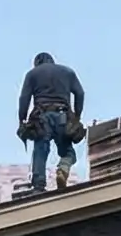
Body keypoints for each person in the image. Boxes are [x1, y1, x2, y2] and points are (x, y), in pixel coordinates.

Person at [17, 52, 86, 193]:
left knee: (41, 150)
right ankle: (64, 167)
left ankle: (39, 186)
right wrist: (76, 117)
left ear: (37, 63)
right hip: (63, 116)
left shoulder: (32, 74)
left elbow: (24, 98)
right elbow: (80, 93)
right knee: (67, 151)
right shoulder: (68, 72)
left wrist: (21, 119)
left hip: (43, 117)